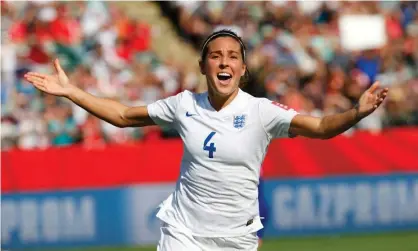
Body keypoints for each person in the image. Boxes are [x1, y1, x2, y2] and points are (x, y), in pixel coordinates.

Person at [24, 29, 388, 251]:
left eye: (232, 56)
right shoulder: (184, 105)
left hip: (236, 238)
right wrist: (72, 92)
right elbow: (122, 115)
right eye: (215, 56)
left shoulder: (263, 111)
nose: (223, 62)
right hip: (183, 232)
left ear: (243, 70)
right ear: (203, 66)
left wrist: (356, 113)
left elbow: (322, 126)